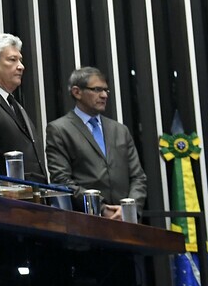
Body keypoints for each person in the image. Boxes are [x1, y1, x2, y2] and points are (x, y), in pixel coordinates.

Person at [45, 67, 147, 218]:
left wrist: (129, 207)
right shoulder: (59, 130)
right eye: (97, 89)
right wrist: (101, 208)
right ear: (77, 92)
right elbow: (61, 181)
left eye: (106, 90)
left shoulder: (120, 130)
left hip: (126, 221)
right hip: (86, 221)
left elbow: (138, 177)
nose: (104, 95)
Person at [0, 33, 46, 181]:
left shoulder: (14, 104)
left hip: (33, 196)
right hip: (7, 197)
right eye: (13, 60)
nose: (21, 66)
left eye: (20, 60)